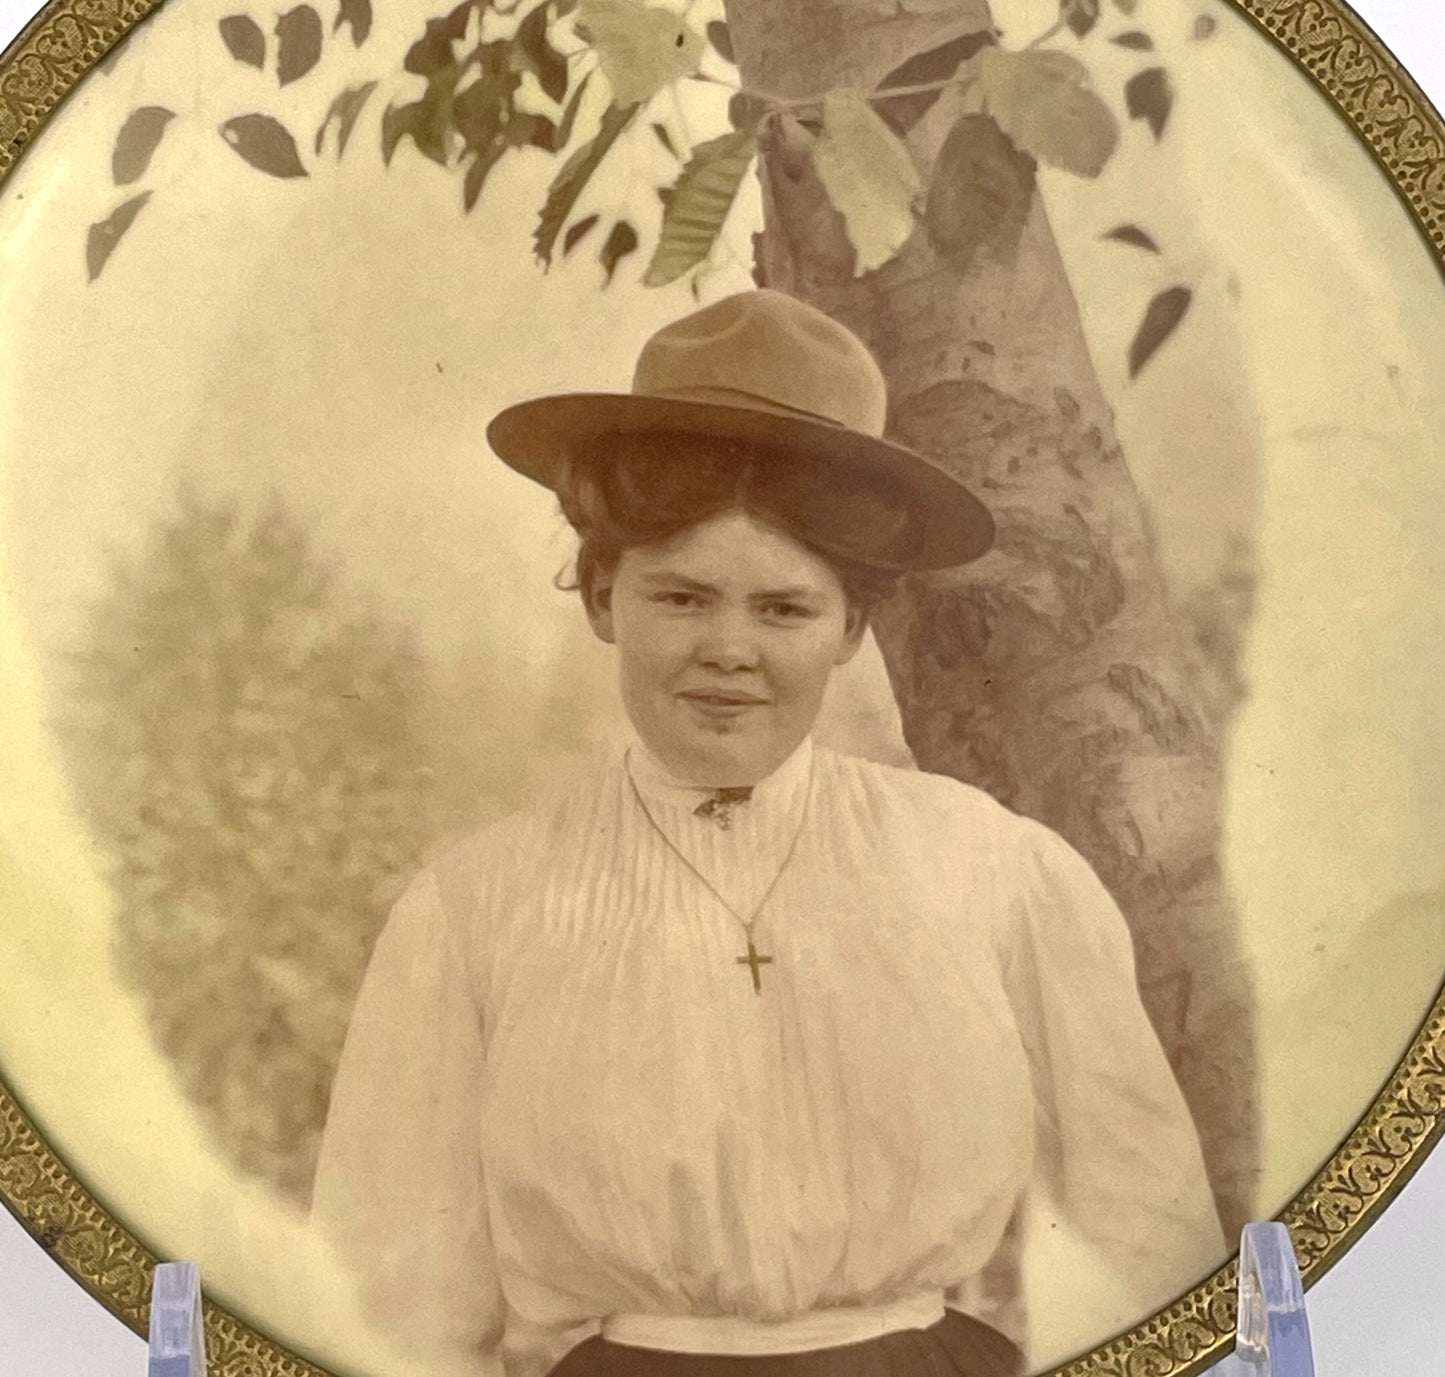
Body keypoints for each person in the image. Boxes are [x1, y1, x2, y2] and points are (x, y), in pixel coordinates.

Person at [311, 290, 1225, 1377]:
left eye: (783, 610)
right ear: (603, 597)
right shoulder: (475, 908)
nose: (728, 651)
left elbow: (1146, 1240)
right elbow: (390, 1308)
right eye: (680, 599)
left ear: (850, 628)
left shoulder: (990, 868)